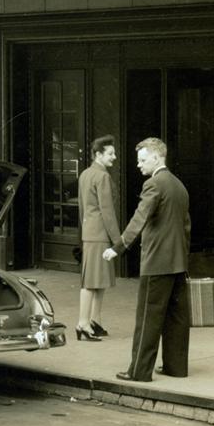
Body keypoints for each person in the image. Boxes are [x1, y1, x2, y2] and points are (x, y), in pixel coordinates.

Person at [103, 137, 191, 382]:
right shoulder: (178, 185)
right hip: (178, 262)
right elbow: (186, 228)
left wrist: (118, 247)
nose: (139, 166)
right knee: (176, 318)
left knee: (147, 318)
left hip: (156, 262)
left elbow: (139, 219)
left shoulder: (154, 185)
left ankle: (139, 371)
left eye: (143, 160)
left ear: (156, 157)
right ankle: (176, 367)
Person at [76, 134, 121, 341]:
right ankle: (83, 323)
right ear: (98, 154)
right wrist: (118, 240)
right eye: (110, 153)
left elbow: (82, 208)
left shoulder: (85, 174)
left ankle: (94, 320)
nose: (114, 157)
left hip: (90, 232)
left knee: (97, 280)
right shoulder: (102, 177)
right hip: (100, 234)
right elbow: (108, 211)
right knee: (92, 282)